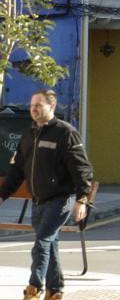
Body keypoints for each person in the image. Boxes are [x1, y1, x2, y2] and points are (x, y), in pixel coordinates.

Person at [0, 90, 94, 300]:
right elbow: (16, 170)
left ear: (51, 107)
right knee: (50, 245)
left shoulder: (65, 133)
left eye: (38, 105)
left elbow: (82, 169)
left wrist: (82, 199)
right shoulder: (29, 134)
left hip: (60, 199)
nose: (33, 109)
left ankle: (34, 288)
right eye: (32, 105)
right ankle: (56, 290)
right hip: (38, 200)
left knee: (41, 243)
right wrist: (2, 194)